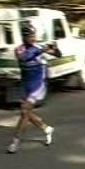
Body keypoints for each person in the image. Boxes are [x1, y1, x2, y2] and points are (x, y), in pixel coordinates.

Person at [6, 21, 61, 154]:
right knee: (26, 113)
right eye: (29, 36)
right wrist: (42, 50)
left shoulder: (39, 47)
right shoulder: (20, 49)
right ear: (24, 37)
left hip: (38, 85)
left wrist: (55, 48)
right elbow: (24, 58)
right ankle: (46, 129)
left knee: (25, 111)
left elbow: (58, 55)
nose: (32, 38)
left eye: (33, 35)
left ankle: (15, 141)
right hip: (25, 84)